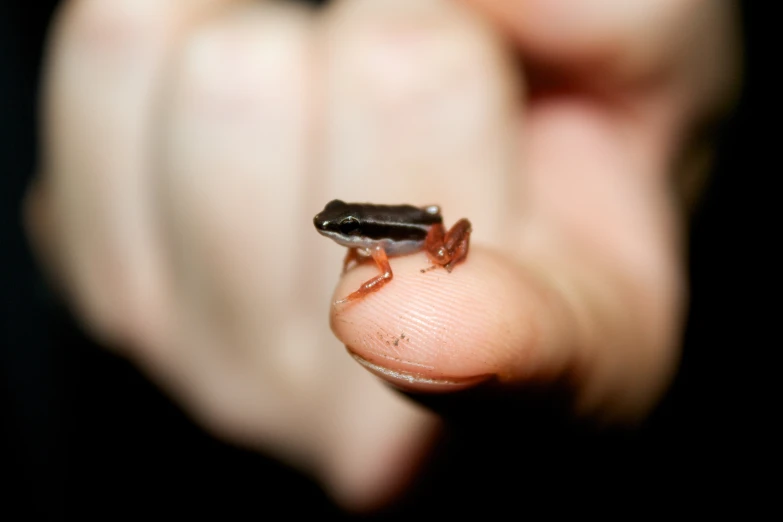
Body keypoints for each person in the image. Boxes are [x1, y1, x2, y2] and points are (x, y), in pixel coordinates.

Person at [25, 0, 739, 512]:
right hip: (409, 226)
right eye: (338, 232)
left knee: (432, 286)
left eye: (339, 232)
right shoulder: (362, 240)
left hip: (425, 232)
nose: (335, 237)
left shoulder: (376, 247)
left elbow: (390, 262)